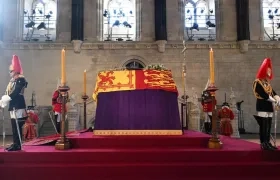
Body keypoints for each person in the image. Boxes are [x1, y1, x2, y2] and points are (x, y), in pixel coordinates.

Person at [0, 55, 28, 151]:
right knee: (13, 126)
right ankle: (15, 143)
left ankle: (18, 144)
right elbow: (8, 92)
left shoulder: (21, 80)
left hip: (18, 106)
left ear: (16, 71)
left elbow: (16, 92)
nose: (10, 73)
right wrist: (2, 101)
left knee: (17, 126)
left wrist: (6, 98)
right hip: (13, 106)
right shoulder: (12, 81)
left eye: (11, 71)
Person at [253, 58, 279, 150]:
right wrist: (272, 99)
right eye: (267, 70)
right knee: (263, 125)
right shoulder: (257, 82)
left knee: (268, 125)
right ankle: (263, 143)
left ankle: (267, 142)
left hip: (268, 106)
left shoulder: (267, 84)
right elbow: (262, 94)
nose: (269, 72)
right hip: (262, 105)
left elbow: (272, 92)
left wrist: (277, 97)